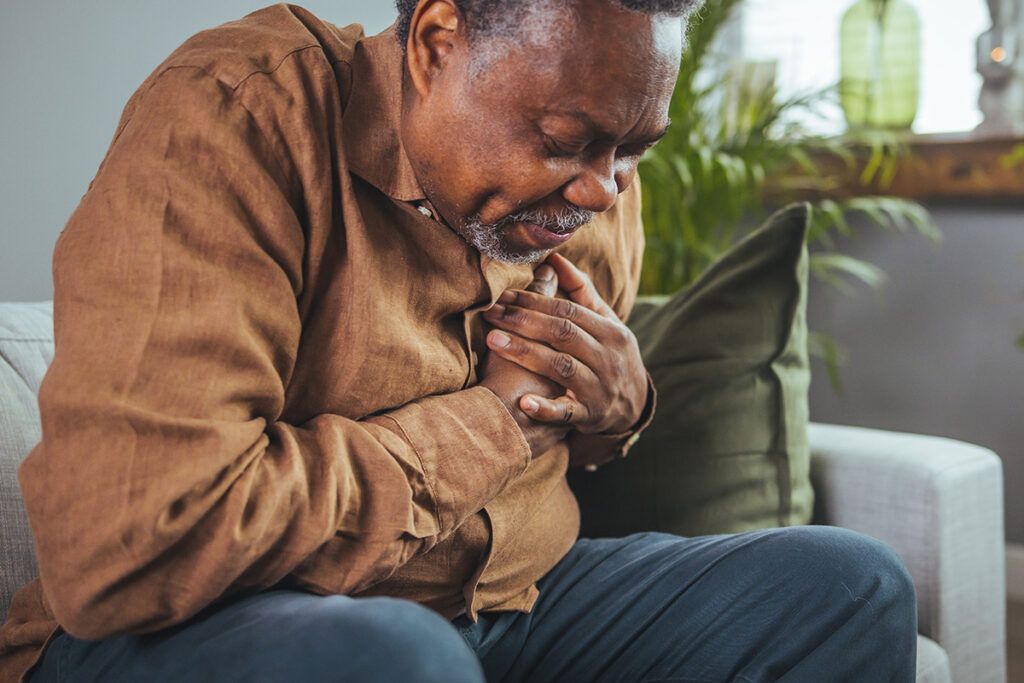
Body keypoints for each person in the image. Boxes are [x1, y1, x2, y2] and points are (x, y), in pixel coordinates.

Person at [0, 1, 918, 681]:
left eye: (633, 148)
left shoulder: (586, 192)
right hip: (214, 631)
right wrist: (496, 419)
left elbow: (575, 428)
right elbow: (133, 549)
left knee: (850, 584)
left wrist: (616, 404)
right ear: (439, 42)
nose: (605, 189)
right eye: (567, 138)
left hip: (510, 607)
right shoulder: (237, 119)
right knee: (399, 657)